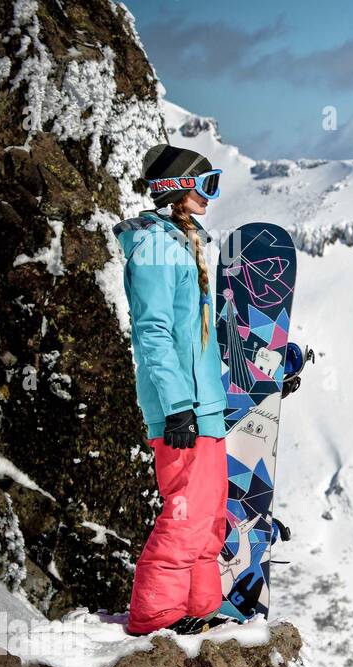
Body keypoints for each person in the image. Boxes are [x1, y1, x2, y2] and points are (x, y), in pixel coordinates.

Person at [113, 144, 228, 635]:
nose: (210, 196)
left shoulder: (186, 243)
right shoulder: (156, 248)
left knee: (207, 522)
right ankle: (156, 619)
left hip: (206, 407)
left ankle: (198, 611)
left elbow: (203, 332)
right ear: (175, 189)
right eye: (205, 185)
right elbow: (152, 332)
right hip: (183, 409)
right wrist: (178, 405)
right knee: (184, 520)